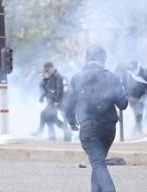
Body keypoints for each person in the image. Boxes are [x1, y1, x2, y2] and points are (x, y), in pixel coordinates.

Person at [66, 45, 128, 192]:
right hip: (108, 129)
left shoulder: (77, 77)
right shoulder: (112, 77)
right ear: (104, 58)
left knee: (99, 164)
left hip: (89, 128)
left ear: (86, 58)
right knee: (98, 163)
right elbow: (123, 104)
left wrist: (71, 122)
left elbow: (68, 105)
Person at [33, 62, 71, 141]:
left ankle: (65, 133)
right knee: (50, 118)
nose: (47, 71)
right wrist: (44, 78)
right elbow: (43, 87)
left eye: (48, 69)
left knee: (46, 116)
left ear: (52, 68)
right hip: (53, 101)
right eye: (46, 69)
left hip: (60, 102)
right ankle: (54, 135)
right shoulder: (48, 77)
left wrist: (57, 101)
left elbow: (61, 90)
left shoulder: (59, 77)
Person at [118, 61, 146, 136]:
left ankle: (137, 130)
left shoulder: (144, 72)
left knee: (139, 114)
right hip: (130, 97)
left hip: (141, 97)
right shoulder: (126, 73)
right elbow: (123, 84)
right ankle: (137, 130)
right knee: (136, 114)